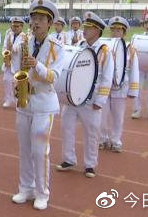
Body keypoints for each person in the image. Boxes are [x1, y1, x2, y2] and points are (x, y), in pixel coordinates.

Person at [11, 0, 65, 211]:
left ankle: (42, 193)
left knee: (40, 151)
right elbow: (17, 69)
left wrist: (37, 65)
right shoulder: (24, 42)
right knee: (24, 149)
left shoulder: (57, 47)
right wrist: (17, 81)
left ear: (50, 23)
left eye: (41, 19)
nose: (36, 23)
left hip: (44, 103)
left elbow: (54, 77)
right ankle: (26, 188)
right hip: (25, 101)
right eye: (33, 18)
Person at [56, 11, 113, 179]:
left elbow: (107, 78)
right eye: (85, 27)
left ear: (97, 31)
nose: (85, 30)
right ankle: (69, 159)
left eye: (88, 27)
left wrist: (100, 100)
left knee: (91, 133)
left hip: (92, 99)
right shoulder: (80, 45)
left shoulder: (105, 51)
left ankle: (90, 165)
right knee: (66, 127)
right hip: (73, 97)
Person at [100, 16, 139, 153]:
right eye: (113, 30)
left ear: (124, 32)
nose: (115, 32)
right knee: (102, 115)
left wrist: (133, 90)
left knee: (118, 116)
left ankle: (116, 140)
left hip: (120, 87)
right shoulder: (105, 46)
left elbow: (134, 69)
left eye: (118, 30)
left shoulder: (129, 48)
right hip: (105, 86)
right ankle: (102, 138)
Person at [2, 17, 25, 108]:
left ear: (22, 26)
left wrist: (12, 47)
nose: (14, 28)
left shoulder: (24, 36)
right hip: (8, 62)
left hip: (18, 63)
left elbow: (20, 48)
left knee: (17, 84)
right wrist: (5, 54)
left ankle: (17, 100)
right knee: (6, 80)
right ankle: (8, 99)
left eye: (17, 26)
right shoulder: (9, 34)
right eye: (13, 26)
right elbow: (4, 46)